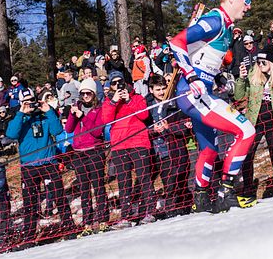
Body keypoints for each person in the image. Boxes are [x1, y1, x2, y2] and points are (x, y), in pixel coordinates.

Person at [170, 0, 257, 213]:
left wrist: (216, 77)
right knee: (246, 131)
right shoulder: (215, 20)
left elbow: (203, 57)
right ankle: (226, 191)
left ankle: (201, 198)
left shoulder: (226, 27)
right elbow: (177, 42)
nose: (249, 6)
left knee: (208, 148)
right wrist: (191, 76)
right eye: (246, 0)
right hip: (194, 93)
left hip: (201, 91)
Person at [5, 89, 74, 246]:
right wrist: (21, 113)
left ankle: (69, 227)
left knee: (59, 196)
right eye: (26, 101)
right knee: (30, 203)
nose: (30, 104)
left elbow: (58, 131)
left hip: (48, 163)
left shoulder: (44, 116)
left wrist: (49, 111)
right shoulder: (20, 119)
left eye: (32, 100)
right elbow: (11, 134)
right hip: (29, 166)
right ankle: (29, 237)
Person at [234, 45, 273, 196]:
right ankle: (248, 189)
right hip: (255, 121)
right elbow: (238, 96)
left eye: (264, 62)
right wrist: (241, 79)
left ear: (272, 63)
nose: (260, 65)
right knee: (248, 155)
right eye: (258, 62)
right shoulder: (253, 75)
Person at [102, 71, 155, 227]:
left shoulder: (137, 97)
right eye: (114, 83)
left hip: (138, 141)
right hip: (119, 144)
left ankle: (150, 211)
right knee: (124, 181)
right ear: (110, 86)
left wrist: (129, 100)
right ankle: (126, 215)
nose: (118, 85)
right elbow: (106, 120)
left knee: (144, 177)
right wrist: (114, 102)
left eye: (120, 82)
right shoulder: (108, 101)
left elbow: (144, 115)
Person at [65, 78, 109, 235]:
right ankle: (87, 223)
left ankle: (103, 219)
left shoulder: (99, 109)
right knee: (84, 188)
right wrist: (72, 115)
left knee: (98, 186)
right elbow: (69, 129)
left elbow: (97, 131)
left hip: (94, 151)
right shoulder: (77, 107)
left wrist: (83, 116)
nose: (85, 96)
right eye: (82, 93)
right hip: (79, 152)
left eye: (88, 93)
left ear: (93, 94)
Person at [146, 74, 192, 218]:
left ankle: (183, 208)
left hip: (175, 148)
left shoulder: (174, 104)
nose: (161, 92)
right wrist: (153, 130)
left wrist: (169, 128)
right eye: (158, 89)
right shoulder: (147, 107)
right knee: (169, 183)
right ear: (151, 90)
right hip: (157, 151)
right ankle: (172, 211)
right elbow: (142, 129)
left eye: (163, 89)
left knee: (179, 181)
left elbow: (184, 127)